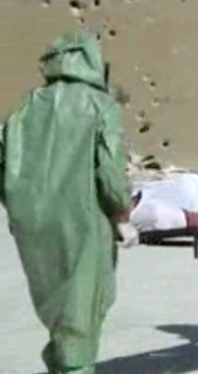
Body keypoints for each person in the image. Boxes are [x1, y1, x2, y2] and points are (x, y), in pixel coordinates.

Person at [0, 29, 132, 374]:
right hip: (82, 221)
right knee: (83, 308)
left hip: (30, 223)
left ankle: (60, 365)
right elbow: (110, 172)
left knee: (56, 304)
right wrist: (121, 214)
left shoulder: (26, 108)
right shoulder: (99, 105)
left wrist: (18, 209)